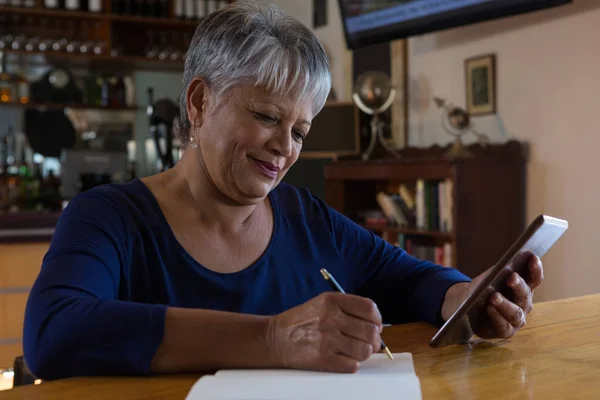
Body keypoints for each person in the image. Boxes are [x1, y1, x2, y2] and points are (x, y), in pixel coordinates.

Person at [23, 0, 543, 381]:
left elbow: (409, 279)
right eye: (267, 116)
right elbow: (54, 332)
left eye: (299, 132)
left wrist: (468, 298)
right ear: (200, 103)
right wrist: (274, 338)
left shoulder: (303, 216)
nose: (283, 148)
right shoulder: (109, 218)